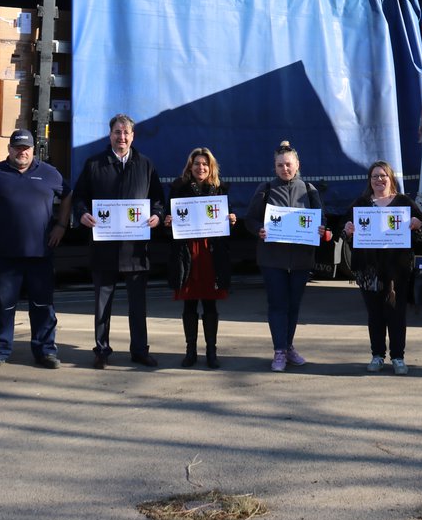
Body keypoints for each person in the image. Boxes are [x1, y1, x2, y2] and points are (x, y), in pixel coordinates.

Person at [0, 128, 71, 371]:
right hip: (4, 253)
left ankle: (45, 351)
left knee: (43, 306)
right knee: (3, 306)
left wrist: (61, 225)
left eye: (26, 148)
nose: (21, 152)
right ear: (9, 149)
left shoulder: (49, 173)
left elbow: (67, 196)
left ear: (33, 150)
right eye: (17, 148)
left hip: (40, 254)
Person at [72, 114, 166, 368]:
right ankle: (101, 350)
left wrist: (157, 216)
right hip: (104, 247)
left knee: (138, 305)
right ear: (110, 135)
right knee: (103, 304)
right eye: (117, 132)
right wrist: (82, 214)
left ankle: (139, 350)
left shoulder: (145, 165)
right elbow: (79, 197)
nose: (121, 137)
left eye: (126, 133)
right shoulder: (94, 164)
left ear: (133, 136)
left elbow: (158, 199)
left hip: (135, 249)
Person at [245, 140, 331, 372]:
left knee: (294, 306)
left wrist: (321, 229)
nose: (285, 169)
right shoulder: (265, 189)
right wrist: (258, 230)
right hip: (273, 260)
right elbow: (250, 220)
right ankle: (279, 351)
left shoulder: (309, 190)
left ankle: (288, 345)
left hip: (301, 260)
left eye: (288, 164)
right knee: (277, 305)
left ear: (297, 164)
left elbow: (321, 219)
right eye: (280, 165)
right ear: (274, 167)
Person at [341, 161, 422, 375]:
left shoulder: (403, 202)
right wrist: (347, 229)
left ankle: (398, 357)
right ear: (369, 181)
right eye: (374, 176)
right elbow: (343, 233)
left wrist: (418, 226)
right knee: (375, 315)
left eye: (383, 176)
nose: (379, 180)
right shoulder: (361, 204)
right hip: (368, 270)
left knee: (396, 314)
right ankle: (377, 355)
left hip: (397, 270)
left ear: (391, 178)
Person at [164, 148, 235, 368]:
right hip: (188, 252)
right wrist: (168, 223)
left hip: (210, 253)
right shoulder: (178, 188)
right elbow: (171, 223)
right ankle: (190, 351)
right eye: (197, 164)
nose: (201, 167)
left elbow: (224, 222)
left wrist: (230, 219)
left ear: (211, 167)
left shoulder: (220, 189)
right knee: (189, 305)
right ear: (190, 166)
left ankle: (211, 352)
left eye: (205, 164)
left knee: (211, 305)